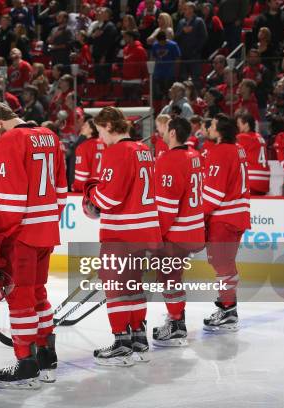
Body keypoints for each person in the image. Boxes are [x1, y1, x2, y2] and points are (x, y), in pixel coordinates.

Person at [0, 102, 67, 388]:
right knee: (39, 294)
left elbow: (12, 203)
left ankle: (25, 363)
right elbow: (62, 190)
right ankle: (46, 356)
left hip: (22, 235)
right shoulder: (50, 136)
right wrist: (49, 220)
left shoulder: (9, 140)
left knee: (20, 300)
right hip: (47, 230)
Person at [83, 107, 162, 366]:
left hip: (123, 232)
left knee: (115, 287)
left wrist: (91, 193)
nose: (100, 137)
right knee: (133, 284)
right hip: (145, 230)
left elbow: (109, 198)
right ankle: (138, 338)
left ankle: (121, 343)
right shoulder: (143, 150)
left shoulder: (117, 151)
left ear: (108, 125)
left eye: (100, 130)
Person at [152, 117, 205, 347]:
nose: (161, 132)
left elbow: (167, 207)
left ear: (172, 133)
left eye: (165, 129)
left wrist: (155, 235)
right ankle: (176, 318)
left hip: (177, 233)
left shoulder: (170, 160)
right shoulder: (194, 155)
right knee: (174, 277)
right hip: (193, 229)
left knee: (169, 277)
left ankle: (176, 325)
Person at [202, 113, 251, 331]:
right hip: (238, 215)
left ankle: (229, 309)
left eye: (211, 125)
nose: (208, 127)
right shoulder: (237, 149)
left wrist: (198, 216)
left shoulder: (220, 151)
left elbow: (213, 193)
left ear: (220, 129)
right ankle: (227, 305)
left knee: (221, 264)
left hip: (224, 218)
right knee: (225, 263)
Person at [236, 111, 269, 195]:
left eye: (239, 123)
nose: (238, 126)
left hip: (251, 180)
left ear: (246, 124)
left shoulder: (242, 137)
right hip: (264, 181)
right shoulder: (260, 137)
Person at [72, 118, 103, 192]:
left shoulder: (83, 147)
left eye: (85, 126)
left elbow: (81, 176)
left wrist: (76, 187)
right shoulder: (107, 144)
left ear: (91, 130)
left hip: (91, 190)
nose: (82, 127)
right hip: (106, 187)